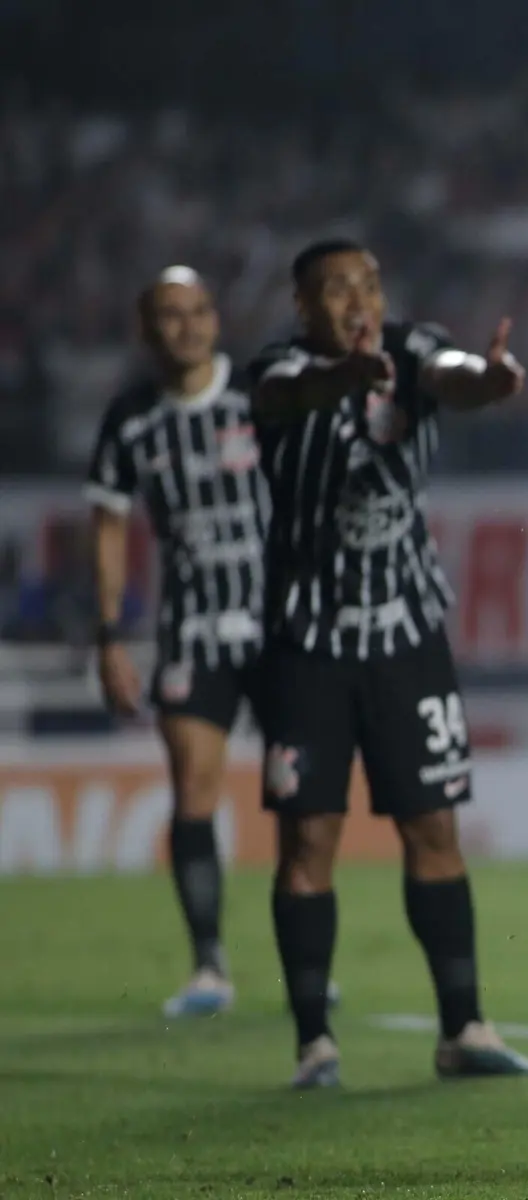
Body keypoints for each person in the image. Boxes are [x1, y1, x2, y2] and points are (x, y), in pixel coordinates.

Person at [247, 239, 528, 1087]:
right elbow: (289, 395)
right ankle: (314, 1043)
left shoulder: (413, 351)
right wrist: (346, 377)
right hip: (307, 644)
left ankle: (464, 1030)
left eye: (369, 284)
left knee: (434, 828)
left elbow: (455, 373)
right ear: (304, 306)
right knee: (310, 837)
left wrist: (492, 378)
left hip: (407, 637)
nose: (358, 300)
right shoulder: (275, 370)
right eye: (337, 288)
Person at [84, 267, 268, 1017]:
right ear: (146, 328)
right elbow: (108, 526)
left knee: (303, 795)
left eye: (199, 311)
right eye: (170, 314)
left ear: (216, 320)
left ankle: (305, 951)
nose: (187, 326)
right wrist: (108, 636)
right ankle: (209, 966)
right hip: (192, 628)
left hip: (280, 626)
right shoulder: (131, 420)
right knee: (194, 784)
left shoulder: (259, 398)